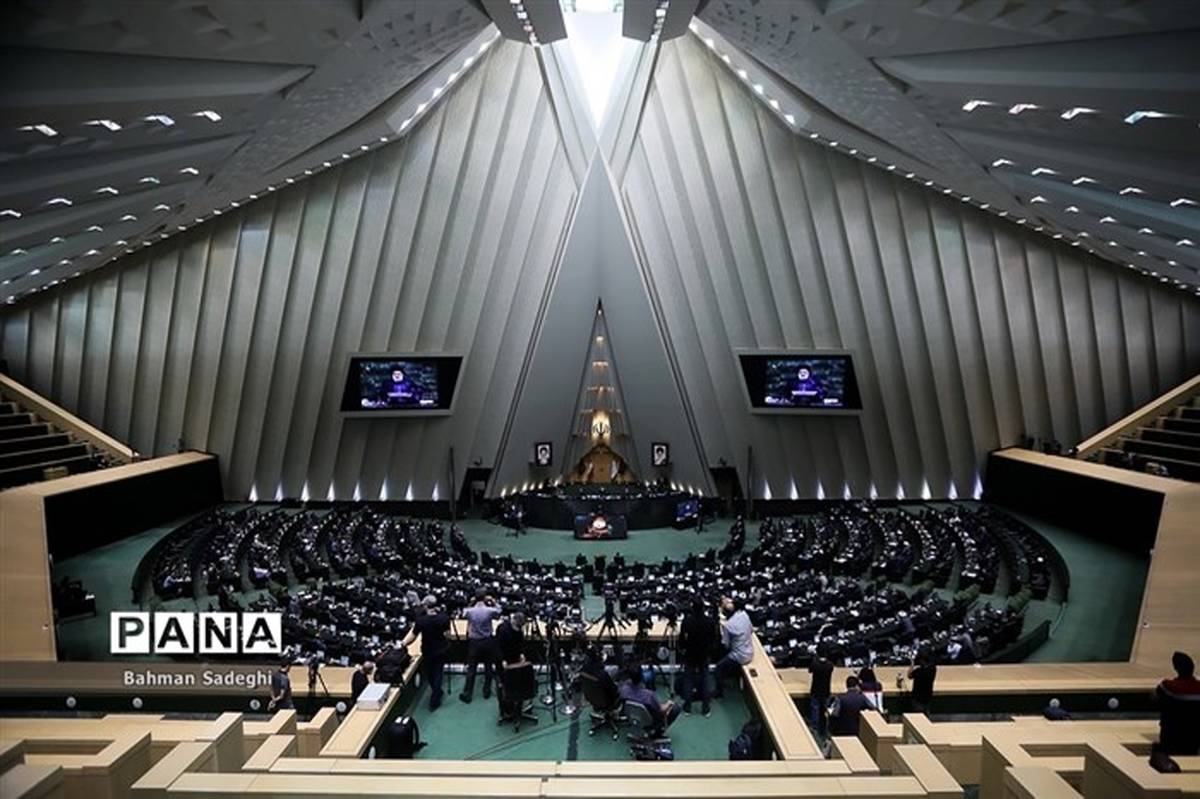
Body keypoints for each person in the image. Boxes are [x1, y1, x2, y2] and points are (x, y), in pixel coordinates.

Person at [402, 595, 451, 710]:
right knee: (438, 673)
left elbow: (413, 636)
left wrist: (403, 644)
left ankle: (435, 696)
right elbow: (448, 634)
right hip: (441, 649)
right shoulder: (444, 618)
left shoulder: (421, 621)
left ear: (426, 606)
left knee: (431, 674)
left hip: (428, 650)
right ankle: (437, 694)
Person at [460, 590, 502, 703]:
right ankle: (486, 691)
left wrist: (471, 603)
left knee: (472, 668)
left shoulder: (470, 611)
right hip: (488, 641)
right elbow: (499, 611)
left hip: (474, 642)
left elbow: (463, 613)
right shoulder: (489, 611)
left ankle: (468, 693)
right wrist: (493, 601)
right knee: (488, 667)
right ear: (484, 598)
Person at [1156, 651, 1200, 755]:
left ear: (1176, 668)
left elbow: (1155, 697)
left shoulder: (1168, 686)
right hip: (1194, 737)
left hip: (1171, 735)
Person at [676, 598, 715, 716]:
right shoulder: (710, 621)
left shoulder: (687, 622)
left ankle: (687, 708)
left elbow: (682, 639)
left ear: (692, 608)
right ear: (703, 608)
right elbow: (713, 638)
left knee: (688, 679)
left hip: (690, 653)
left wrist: (683, 648)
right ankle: (706, 708)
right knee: (705, 679)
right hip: (704, 653)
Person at [713, 595, 753, 699]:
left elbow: (726, 645)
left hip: (739, 656)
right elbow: (751, 630)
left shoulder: (728, 625)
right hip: (749, 651)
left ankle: (719, 692)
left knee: (718, 668)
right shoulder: (744, 615)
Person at [620, 666, 681, 732]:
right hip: (651, 720)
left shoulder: (624, 690)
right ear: (642, 677)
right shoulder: (649, 695)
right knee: (676, 708)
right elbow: (661, 710)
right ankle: (658, 730)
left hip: (635, 717)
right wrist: (669, 703)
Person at [807, 648, 834, 734]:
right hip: (826, 690)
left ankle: (814, 727)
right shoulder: (830, 665)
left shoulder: (815, 664)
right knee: (826, 710)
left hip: (815, 690)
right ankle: (827, 727)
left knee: (815, 709)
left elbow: (809, 670)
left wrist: (814, 659)